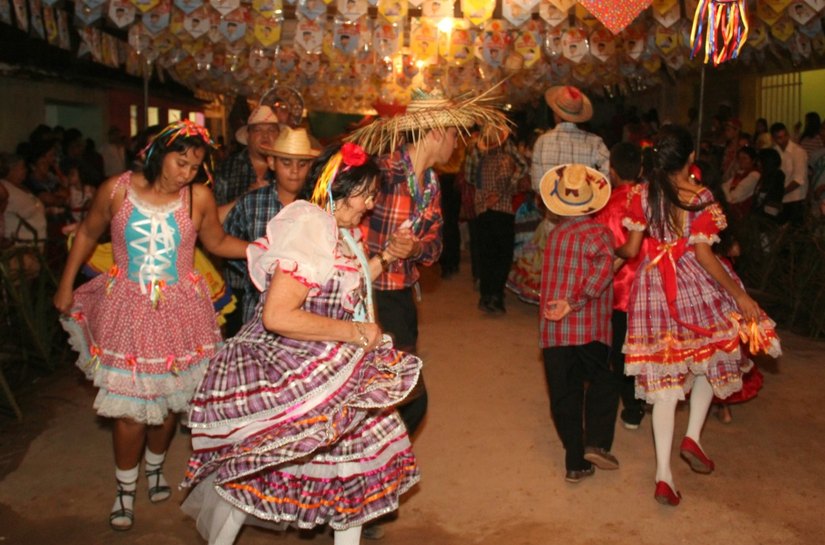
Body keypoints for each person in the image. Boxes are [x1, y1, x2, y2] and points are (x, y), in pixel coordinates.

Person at [180, 143, 422, 545]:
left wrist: (385, 258)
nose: (370, 203)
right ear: (337, 186)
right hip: (294, 367)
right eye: (366, 193)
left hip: (333, 366)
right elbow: (278, 315)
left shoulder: (339, 230)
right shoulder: (310, 224)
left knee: (347, 468)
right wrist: (357, 333)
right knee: (263, 465)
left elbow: (339, 284)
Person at [53, 120, 249, 531]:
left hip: (182, 312)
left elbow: (216, 243)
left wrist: (263, 250)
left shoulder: (198, 198)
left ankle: (156, 469)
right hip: (127, 308)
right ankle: (125, 490)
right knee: (130, 412)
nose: (187, 173)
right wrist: (67, 284)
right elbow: (88, 233)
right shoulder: (117, 189)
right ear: (159, 153)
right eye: (181, 162)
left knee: (168, 404)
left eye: (195, 166)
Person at [615, 125, 781, 506]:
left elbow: (633, 246)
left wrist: (613, 255)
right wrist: (739, 295)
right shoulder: (701, 196)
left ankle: (663, 476)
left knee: (664, 390)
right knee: (714, 355)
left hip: (652, 286)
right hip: (692, 281)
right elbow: (705, 255)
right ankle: (692, 436)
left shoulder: (642, 194)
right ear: (690, 158)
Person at [349, 88, 509, 437]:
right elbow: (345, 228)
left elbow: (435, 248)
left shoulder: (431, 182)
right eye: (454, 134)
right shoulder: (384, 171)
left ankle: (372, 462)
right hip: (371, 297)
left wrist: (414, 248)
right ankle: (369, 462)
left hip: (402, 295)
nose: (457, 142)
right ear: (436, 132)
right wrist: (385, 253)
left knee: (396, 396)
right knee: (404, 397)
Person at [538, 163, 619, 484]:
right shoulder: (599, 233)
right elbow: (602, 274)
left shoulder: (555, 234)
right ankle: (596, 442)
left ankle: (575, 461)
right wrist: (575, 302)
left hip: (554, 332)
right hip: (589, 330)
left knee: (564, 394)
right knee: (603, 382)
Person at [509, 85, 607, 305]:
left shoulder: (543, 141)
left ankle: (555, 306)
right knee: (581, 267)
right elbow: (606, 179)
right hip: (585, 220)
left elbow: (536, 184)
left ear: (555, 114)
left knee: (555, 268)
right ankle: (576, 304)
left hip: (554, 217)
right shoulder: (595, 143)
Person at [223, 126, 320, 323]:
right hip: (256, 309)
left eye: (302, 164)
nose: (294, 171)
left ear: (310, 166)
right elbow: (230, 244)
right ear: (271, 162)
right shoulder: (251, 203)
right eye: (286, 163)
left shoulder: (318, 207)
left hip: (307, 312)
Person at [593, 142, 646, 430]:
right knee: (647, 346)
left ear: (612, 172)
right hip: (653, 290)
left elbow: (602, 248)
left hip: (620, 292)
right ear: (641, 169)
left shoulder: (607, 205)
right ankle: (646, 396)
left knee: (621, 351)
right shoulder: (651, 200)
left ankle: (631, 406)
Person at [215, 106, 281, 335]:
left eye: (271, 130)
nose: (265, 136)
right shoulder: (229, 167)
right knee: (237, 338)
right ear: (248, 136)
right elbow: (212, 221)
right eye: (258, 131)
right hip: (239, 275)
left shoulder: (287, 167)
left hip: (281, 274)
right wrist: (246, 197)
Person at [471, 125, 524, 314]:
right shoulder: (505, 160)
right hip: (502, 213)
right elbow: (503, 180)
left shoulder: (482, 162)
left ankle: (486, 296)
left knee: (487, 256)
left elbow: (475, 183)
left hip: (484, 212)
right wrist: (502, 192)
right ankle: (496, 296)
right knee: (503, 257)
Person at [1, 153, 46, 244]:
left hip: (33, 242)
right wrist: (37, 205)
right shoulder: (5, 189)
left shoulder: (20, 187)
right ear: (11, 170)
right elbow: (28, 209)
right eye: (22, 168)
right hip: (21, 245)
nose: (25, 171)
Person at [771, 122, 808, 225]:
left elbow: (798, 179)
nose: (783, 140)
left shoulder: (798, 152)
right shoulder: (775, 151)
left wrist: (780, 193)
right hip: (780, 199)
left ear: (787, 134)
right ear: (773, 138)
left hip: (796, 199)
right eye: (779, 138)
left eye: (784, 136)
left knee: (795, 233)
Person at [721, 146, 760, 221]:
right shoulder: (740, 173)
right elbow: (723, 186)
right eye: (739, 158)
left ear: (753, 160)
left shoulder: (754, 175)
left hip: (742, 215)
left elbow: (734, 197)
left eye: (745, 158)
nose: (741, 161)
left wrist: (726, 194)